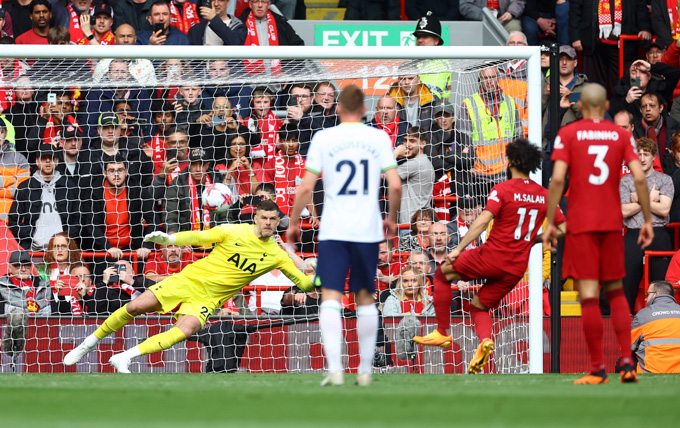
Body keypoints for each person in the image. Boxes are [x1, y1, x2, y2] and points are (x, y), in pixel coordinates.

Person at [63, 199, 314, 373]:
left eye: (273, 219)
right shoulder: (234, 231)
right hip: (188, 281)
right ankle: (86, 345)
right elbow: (198, 237)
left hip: (208, 300)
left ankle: (124, 357)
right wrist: (169, 238)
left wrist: (324, 274)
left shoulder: (278, 255)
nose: (268, 223)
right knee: (136, 306)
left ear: (278, 220)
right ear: (256, 218)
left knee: (185, 330)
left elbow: (304, 283)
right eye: (264, 218)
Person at [414, 138, 566, 376]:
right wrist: (535, 239)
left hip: (491, 257)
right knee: (479, 307)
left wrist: (458, 249)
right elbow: (565, 228)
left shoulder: (502, 189)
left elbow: (483, 220)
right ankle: (485, 341)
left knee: (441, 274)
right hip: (515, 269)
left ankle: (442, 332)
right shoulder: (544, 195)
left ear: (513, 161)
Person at [287, 84, 402, 386]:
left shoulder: (324, 137)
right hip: (367, 228)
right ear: (365, 110)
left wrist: (295, 222)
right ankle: (365, 371)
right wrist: (390, 221)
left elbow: (306, 186)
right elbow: (396, 184)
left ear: (338, 109)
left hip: (334, 229)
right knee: (365, 297)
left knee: (331, 297)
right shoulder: (379, 136)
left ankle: (336, 369)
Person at [543, 83, 653, 385]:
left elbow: (557, 181)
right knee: (617, 293)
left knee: (589, 297)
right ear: (606, 107)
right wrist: (645, 219)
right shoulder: (620, 135)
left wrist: (551, 220)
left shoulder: (568, 134)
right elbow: (640, 178)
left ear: (580, 106)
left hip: (581, 225)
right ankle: (628, 362)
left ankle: (596, 369)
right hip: (611, 223)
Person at [620, 138, 673, 313]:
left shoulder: (665, 180)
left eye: (646, 154)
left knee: (660, 285)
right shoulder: (626, 181)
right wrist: (649, 199)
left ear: (653, 157)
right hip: (633, 234)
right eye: (638, 154)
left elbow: (664, 209)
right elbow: (624, 212)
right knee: (627, 282)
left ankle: (660, 319)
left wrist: (638, 200)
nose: (641, 158)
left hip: (658, 234)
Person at [459, 65, 522, 197]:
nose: (489, 81)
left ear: (498, 78)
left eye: (492, 77)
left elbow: (518, 136)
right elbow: (463, 140)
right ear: (480, 80)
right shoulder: (469, 103)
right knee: (485, 214)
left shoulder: (510, 102)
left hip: (507, 171)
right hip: (481, 173)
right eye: (485, 78)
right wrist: (470, 166)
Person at [82, 154, 158, 261]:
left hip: (133, 248)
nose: (116, 174)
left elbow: (153, 219)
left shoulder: (137, 189)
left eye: (120, 170)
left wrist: (147, 246)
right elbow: (92, 225)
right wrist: (108, 247)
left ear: (126, 172)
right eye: (112, 171)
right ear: (105, 173)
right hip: (103, 250)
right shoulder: (94, 193)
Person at [8, 144, 80, 252]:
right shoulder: (25, 187)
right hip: (34, 251)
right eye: (43, 158)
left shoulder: (69, 186)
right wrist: (33, 236)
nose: (47, 161)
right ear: (37, 161)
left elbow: (79, 219)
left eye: (51, 158)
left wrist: (65, 238)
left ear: (56, 161)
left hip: (63, 251)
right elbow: (13, 220)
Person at [569, 0, 651, 93]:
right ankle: (593, 107)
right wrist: (575, 36)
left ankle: (622, 107)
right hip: (594, 42)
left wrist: (645, 28)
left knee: (624, 84)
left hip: (624, 44)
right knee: (592, 85)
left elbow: (641, 7)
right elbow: (575, 9)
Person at [239, 0, 304, 76]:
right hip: (247, 81)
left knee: (301, 88)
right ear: (250, 4)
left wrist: (288, 73)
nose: (260, 5)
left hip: (280, 81)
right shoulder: (239, 24)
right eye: (256, 2)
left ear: (269, 5)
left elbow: (298, 47)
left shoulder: (281, 23)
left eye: (263, 2)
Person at [630, 280, 680, 373]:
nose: (645, 298)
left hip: (651, 373)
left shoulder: (643, 315)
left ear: (656, 294)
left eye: (647, 294)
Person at [394, 127, 435, 226]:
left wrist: (395, 153)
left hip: (410, 223)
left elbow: (384, 174)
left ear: (423, 144)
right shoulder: (423, 161)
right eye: (405, 140)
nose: (407, 144)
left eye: (412, 141)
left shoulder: (415, 163)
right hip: (419, 221)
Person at [411, 11, 452, 100]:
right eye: (418, 36)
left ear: (436, 41)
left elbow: (429, 98)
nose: (420, 40)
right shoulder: (413, 62)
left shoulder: (441, 64)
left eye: (425, 36)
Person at [0, 250, 51, 315]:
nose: (23, 269)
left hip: (42, 324)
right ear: (10, 267)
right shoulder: (1, 287)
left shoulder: (45, 286)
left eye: (27, 265)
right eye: (18, 265)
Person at [633, 93, 679, 159]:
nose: (648, 109)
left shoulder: (674, 127)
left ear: (661, 108)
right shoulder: (634, 130)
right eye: (644, 106)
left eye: (652, 106)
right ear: (640, 110)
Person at [460, 0, 524, 33]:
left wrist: (510, 12)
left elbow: (517, 1)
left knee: (514, 26)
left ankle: (513, 57)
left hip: (503, 17)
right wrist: (485, 14)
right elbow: (465, 6)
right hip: (479, 18)